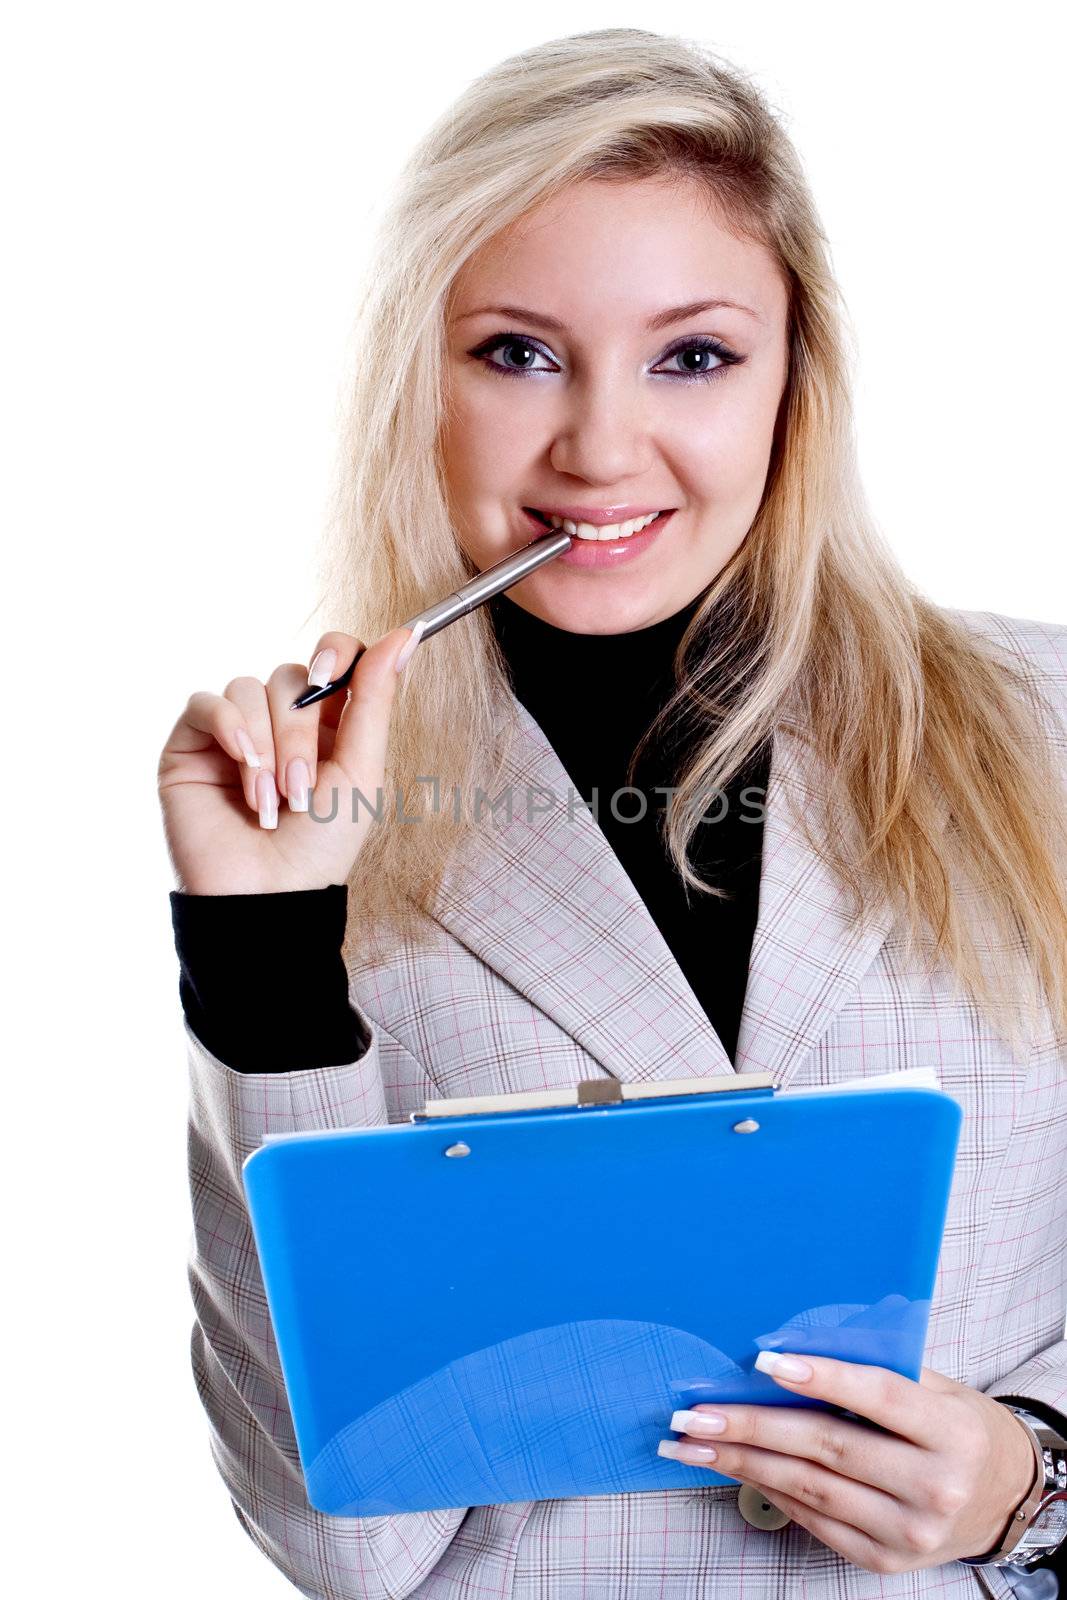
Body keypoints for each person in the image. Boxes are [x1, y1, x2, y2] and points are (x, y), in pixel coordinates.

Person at [157, 27, 1067, 1600]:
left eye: (693, 357)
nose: (597, 448)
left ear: (796, 381)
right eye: (515, 352)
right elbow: (344, 1545)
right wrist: (262, 947)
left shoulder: (1041, 731)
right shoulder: (317, 811)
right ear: (414, 382)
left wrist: (1030, 1481)